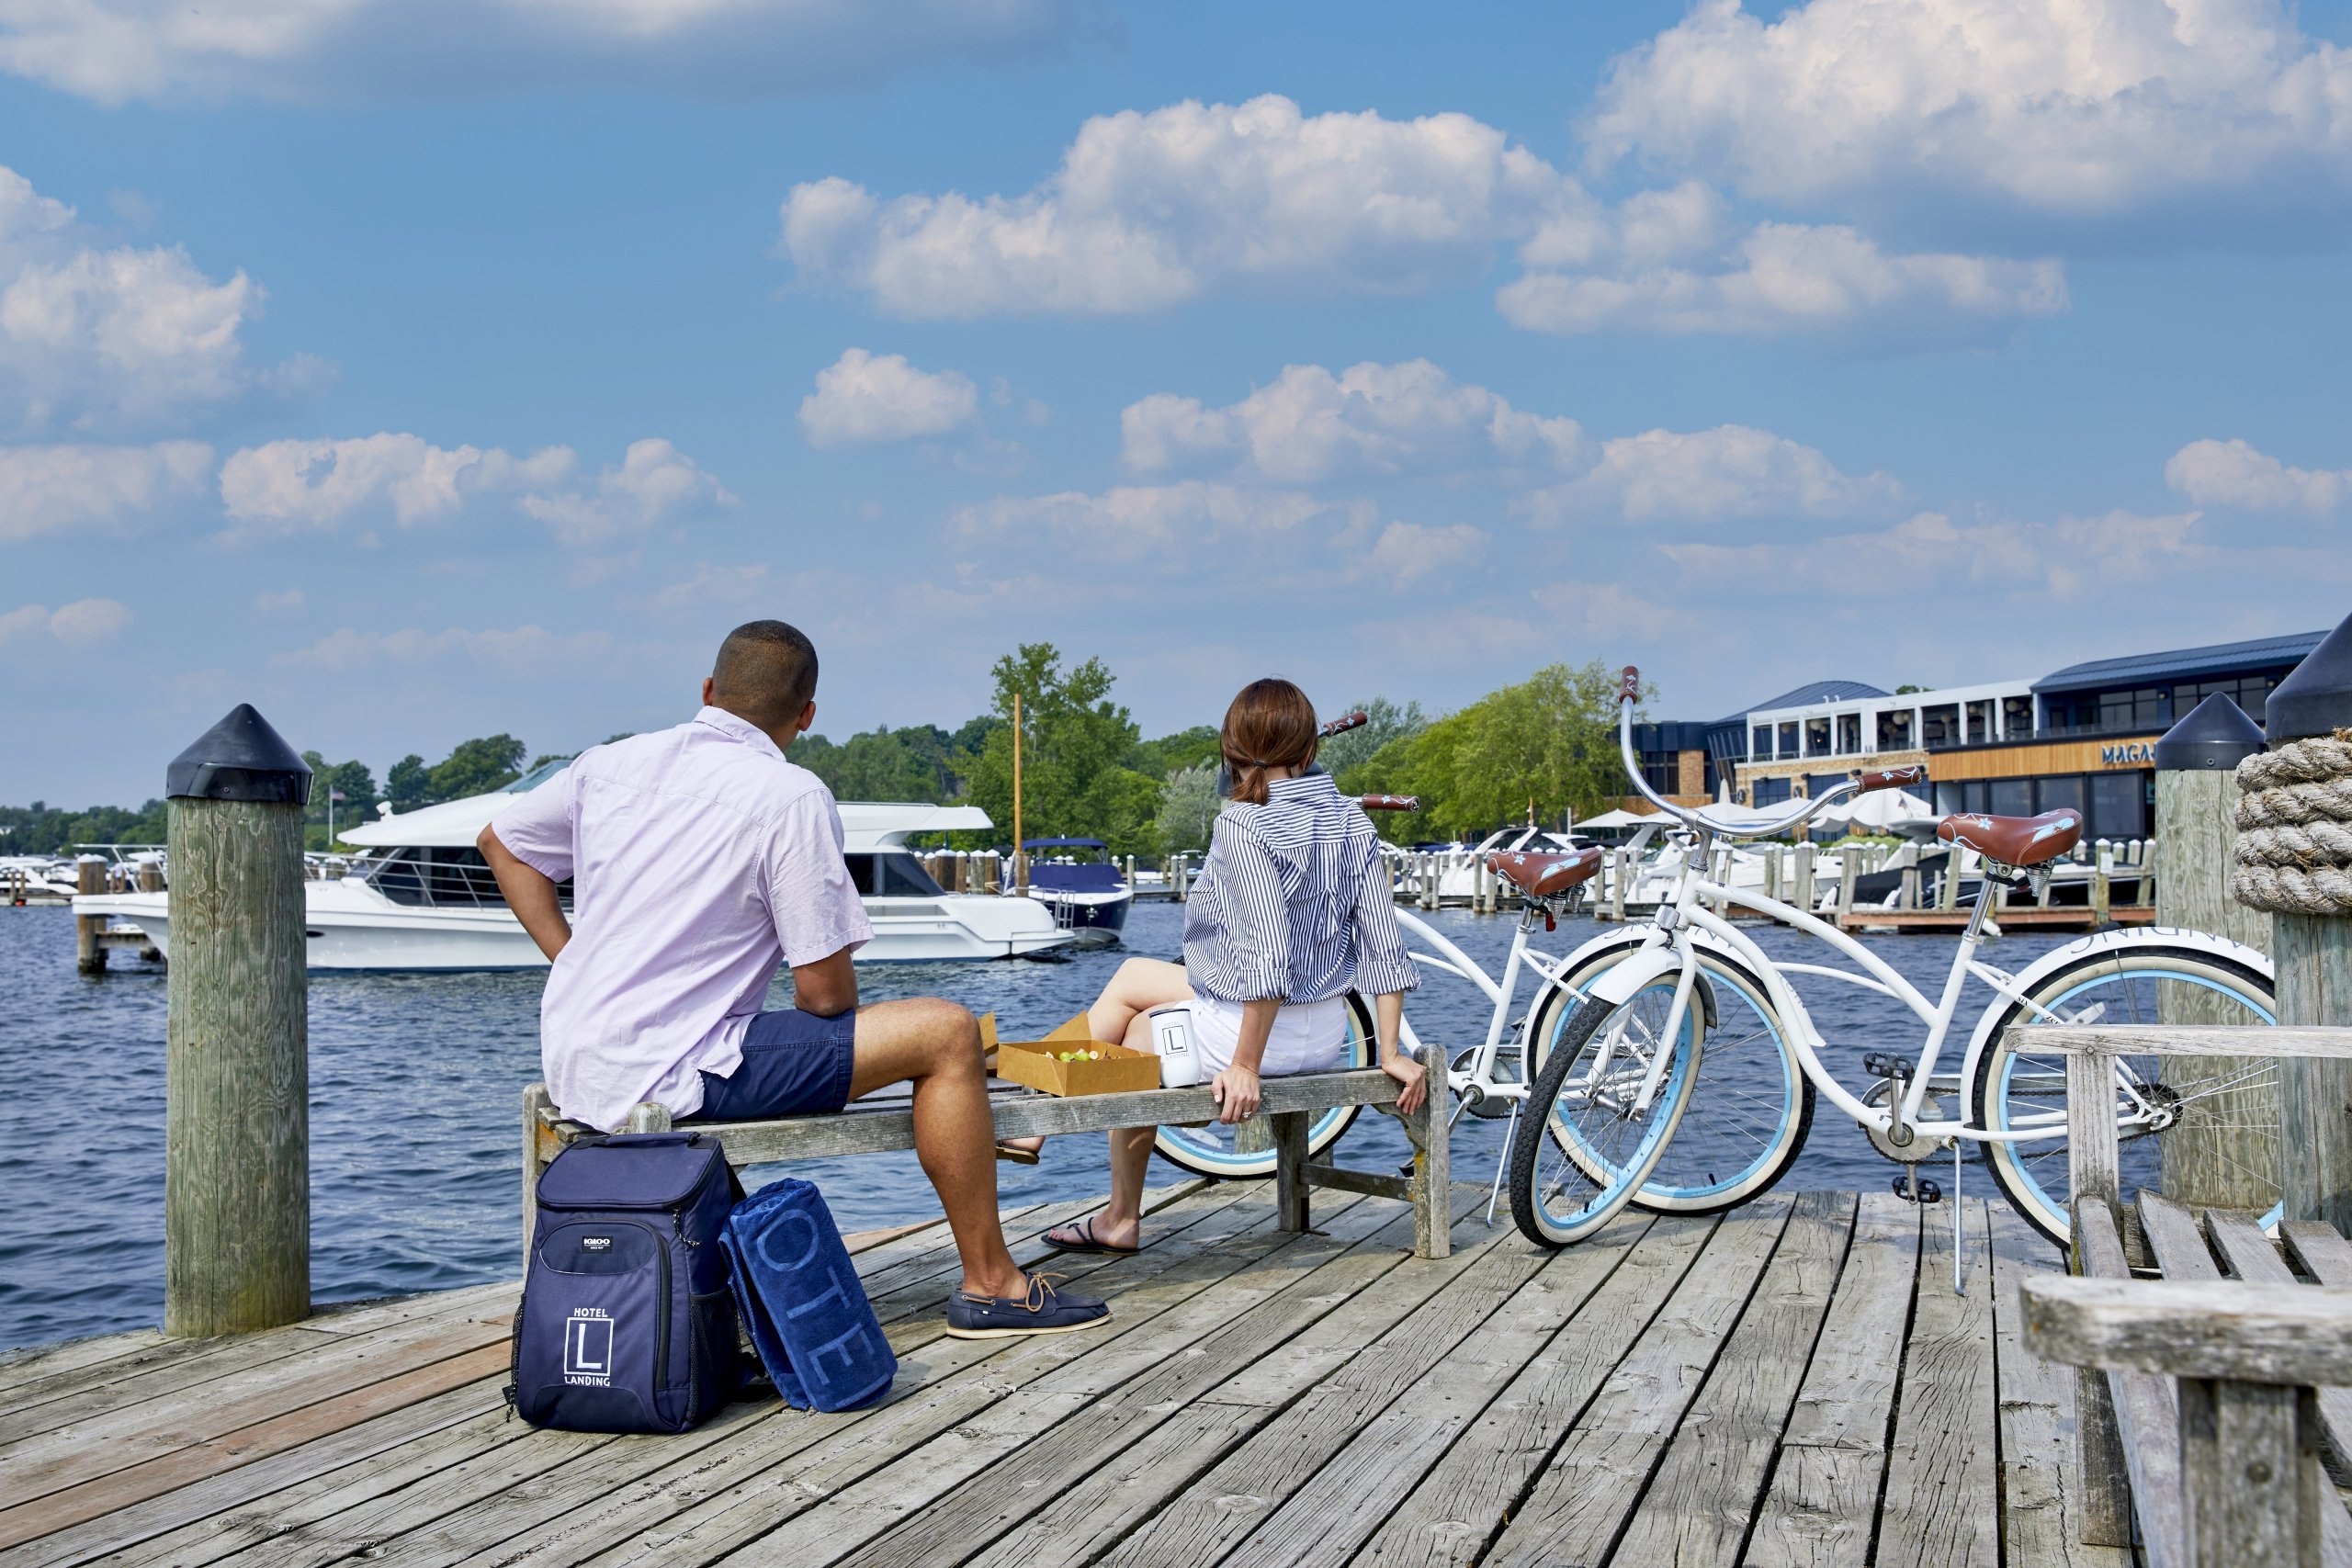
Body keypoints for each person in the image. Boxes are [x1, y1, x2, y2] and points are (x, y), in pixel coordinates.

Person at [479, 619, 1108, 1341]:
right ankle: (994, 1285)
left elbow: (502, 841)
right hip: (671, 1068)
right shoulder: (789, 795)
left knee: (924, 1038)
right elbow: (826, 996)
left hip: (579, 1057)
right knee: (946, 1033)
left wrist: (573, 960)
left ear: (708, 691)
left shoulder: (608, 765)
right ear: (806, 716)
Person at [1031, 677, 1425, 1255]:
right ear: (1308, 749)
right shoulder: (1350, 820)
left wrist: (1245, 1065)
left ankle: (1061, 1141)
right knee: (1136, 1003)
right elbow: (1382, 944)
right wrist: (1389, 1053)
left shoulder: (1244, 824)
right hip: (1324, 1036)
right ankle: (1074, 1156)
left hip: (1256, 1037)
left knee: (1135, 1010)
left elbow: (1268, 954)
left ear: (1231, 750)